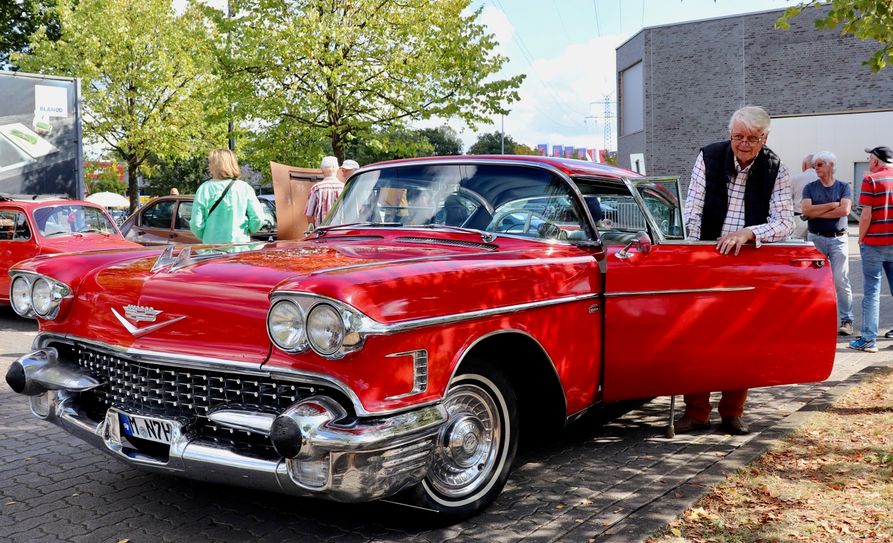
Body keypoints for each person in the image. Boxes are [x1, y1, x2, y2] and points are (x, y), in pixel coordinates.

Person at [679, 105, 793, 435]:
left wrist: (749, 233)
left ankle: (732, 412)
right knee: (698, 338)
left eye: (752, 138)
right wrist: (693, 253)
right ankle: (696, 412)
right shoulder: (709, 156)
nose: (744, 144)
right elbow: (692, 209)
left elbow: (785, 222)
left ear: (765, 138)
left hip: (747, 260)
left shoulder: (776, 168)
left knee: (742, 338)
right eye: (738, 136)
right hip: (706, 255)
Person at [801, 151, 854, 336]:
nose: (815, 168)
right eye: (815, 165)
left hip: (838, 239)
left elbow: (845, 210)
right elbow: (806, 210)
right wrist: (832, 205)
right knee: (815, 281)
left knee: (841, 280)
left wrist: (816, 212)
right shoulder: (809, 188)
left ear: (831, 165)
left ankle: (847, 320)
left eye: (819, 164)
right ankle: (817, 318)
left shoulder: (843, 187)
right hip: (815, 239)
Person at [849, 146, 893, 353]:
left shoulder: (871, 180)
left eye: (869, 158)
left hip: (874, 244)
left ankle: (868, 340)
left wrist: (860, 238)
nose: (868, 161)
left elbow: (866, 215)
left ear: (876, 161)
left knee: (872, 292)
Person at [190, 148, 264, 244]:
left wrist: (207, 235)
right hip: (239, 245)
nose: (208, 166)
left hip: (212, 247)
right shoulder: (244, 187)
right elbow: (258, 218)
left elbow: (196, 224)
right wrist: (246, 232)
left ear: (216, 165)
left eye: (210, 162)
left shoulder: (204, 189)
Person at [305, 156, 344, 229]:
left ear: (322, 170)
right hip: (341, 232)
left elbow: (309, 215)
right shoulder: (344, 187)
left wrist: (312, 230)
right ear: (337, 169)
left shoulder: (316, 188)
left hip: (322, 233)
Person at [789, 154, 816, 240]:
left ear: (804, 164)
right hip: (818, 219)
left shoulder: (795, 179)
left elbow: (787, 201)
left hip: (799, 219)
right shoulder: (822, 179)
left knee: (798, 244)